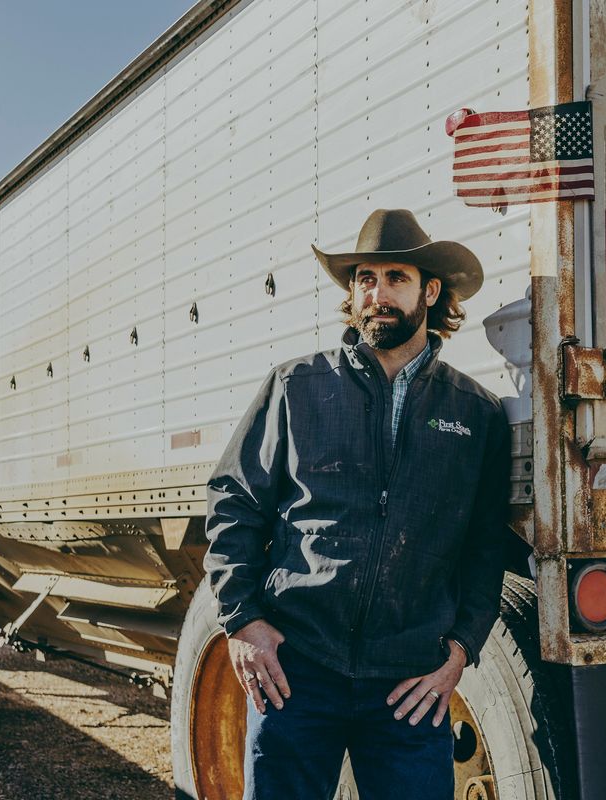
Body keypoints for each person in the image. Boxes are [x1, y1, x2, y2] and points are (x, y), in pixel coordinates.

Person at [205, 208, 511, 799]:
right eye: (365, 279)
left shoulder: (475, 414)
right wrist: (242, 621)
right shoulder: (296, 387)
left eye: (396, 278)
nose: (378, 294)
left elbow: (484, 546)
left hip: (409, 685)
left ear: (430, 291)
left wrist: (459, 652)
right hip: (297, 670)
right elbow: (234, 501)